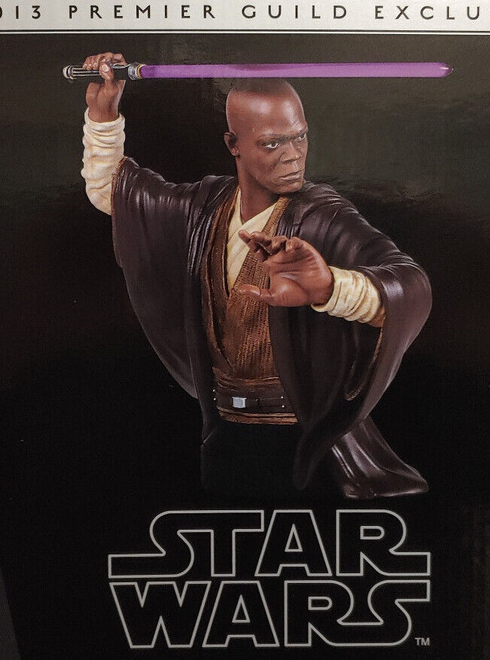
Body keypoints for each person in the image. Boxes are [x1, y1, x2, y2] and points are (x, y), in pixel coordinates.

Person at [80, 52, 432, 500]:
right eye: (272, 143)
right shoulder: (204, 207)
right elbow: (114, 194)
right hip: (226, 432)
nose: (293, 155)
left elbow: (411, 285)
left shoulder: (323, 215)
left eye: (300, 137)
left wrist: (331, 287)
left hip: (307, 443)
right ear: (234, 144)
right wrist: (103, 113)